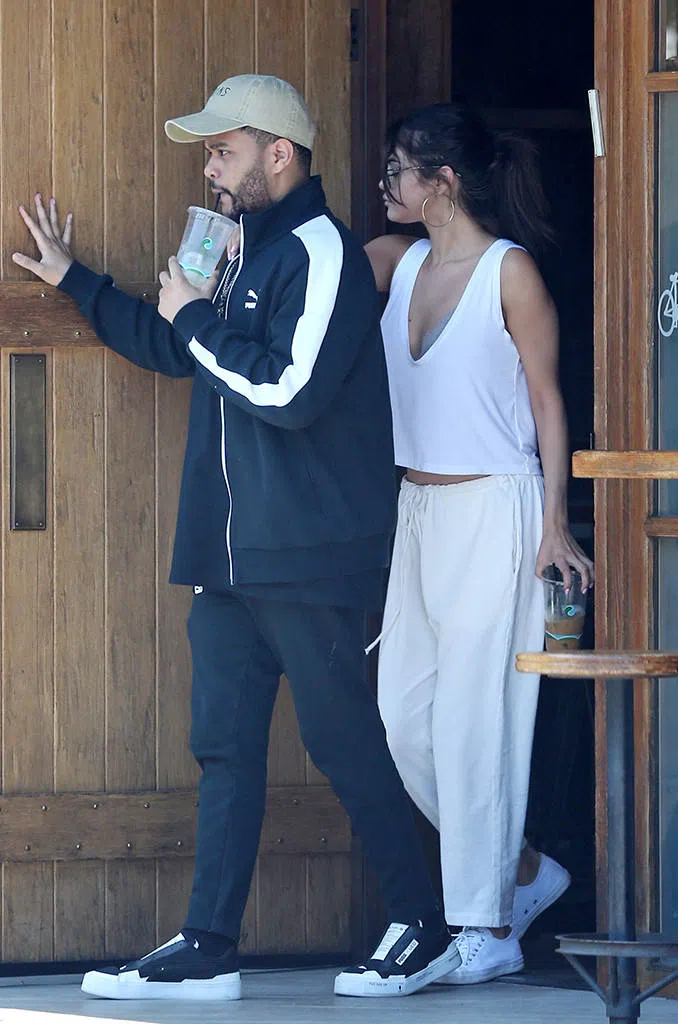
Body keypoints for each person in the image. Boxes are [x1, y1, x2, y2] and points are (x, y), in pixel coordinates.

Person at [13, 75, 460, 1001]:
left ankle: (424, 927)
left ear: (279, 154)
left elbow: (289, 394)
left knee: (342, 741)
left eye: (224, 150)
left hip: (306, 554)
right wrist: (77, 281)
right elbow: (176, 347)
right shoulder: (229, 245)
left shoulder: (323, 252)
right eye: (209, 153)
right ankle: (209, 946)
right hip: (225, 557)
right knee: (223, 747)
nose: (211, 167)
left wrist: (194, 317)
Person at [364, 102, 595, 985]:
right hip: (418, 511)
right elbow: (308, 270)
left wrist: (555, 525)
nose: (386, 183)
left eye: (399, 169)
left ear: (444, 182)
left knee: (475, 725)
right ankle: (524, 870)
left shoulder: (511, 272)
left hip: (499, 507)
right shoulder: (396, 261)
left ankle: (486, 926)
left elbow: (547, 402)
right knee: (404, 721)